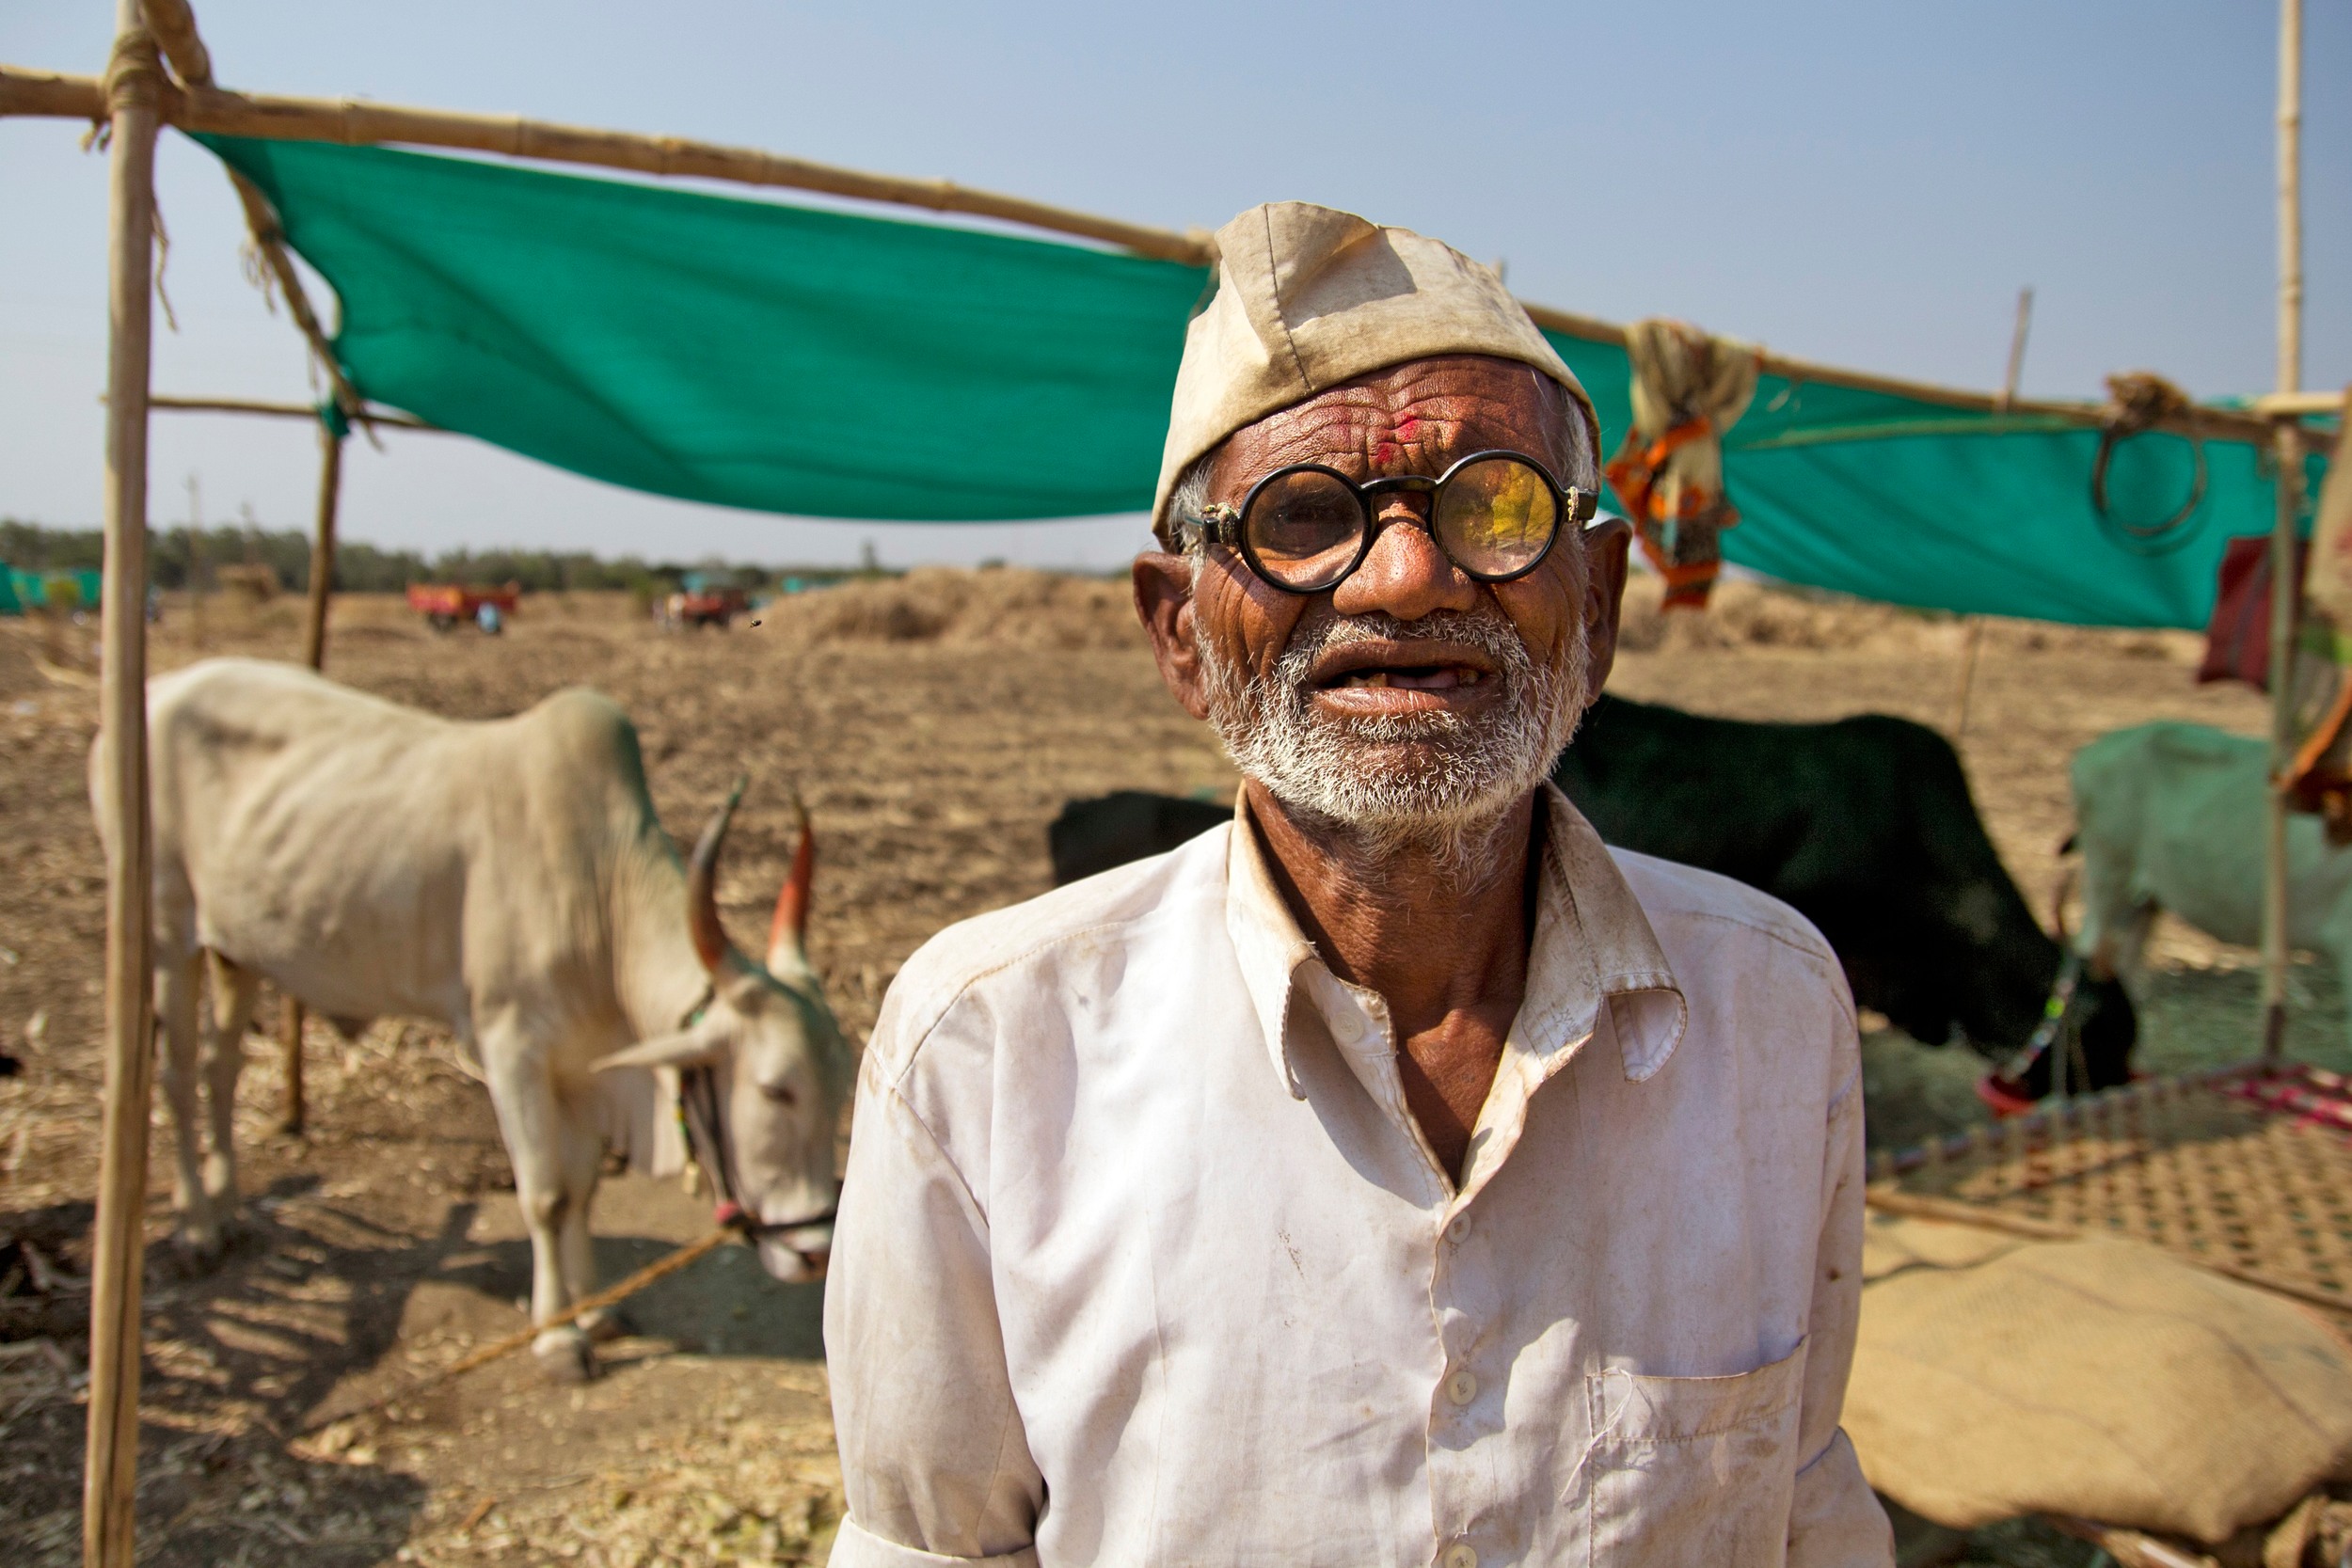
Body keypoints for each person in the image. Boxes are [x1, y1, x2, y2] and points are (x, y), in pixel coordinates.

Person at [823, 202, 1893, 1568]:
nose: (1407, 575)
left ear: (1603, 600)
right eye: (1306, 516)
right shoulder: (985, 1044)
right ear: (1179, 635)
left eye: (1499, 507)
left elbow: (1801, 1503)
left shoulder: (1775, 1006)